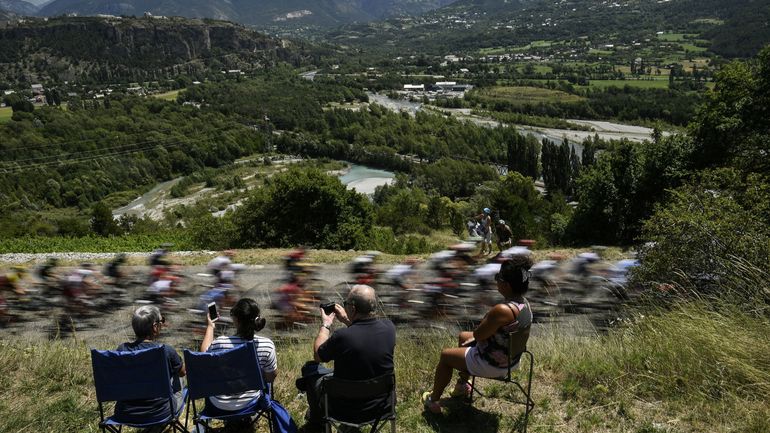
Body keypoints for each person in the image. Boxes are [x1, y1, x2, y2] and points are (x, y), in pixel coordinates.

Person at [422, 256, 533, 414]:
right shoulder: (524, 304)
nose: (496, 281)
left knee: (445, 356)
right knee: (463, 336)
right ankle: (462, 386)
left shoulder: (502, 310)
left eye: (497, 278)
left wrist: (487, 319)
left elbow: (479, 334)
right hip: (513, 359)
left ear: (506, 285)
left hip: (493, 364)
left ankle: (433, 401)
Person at [304, 285, 396, 428]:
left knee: (310, 368)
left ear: (353, 308)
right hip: (381, 406)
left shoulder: (342, 336)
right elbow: (363, 335)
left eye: (346, 303)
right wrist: (348, 320)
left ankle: (316, 422)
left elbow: (318, 356)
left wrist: (326, 325)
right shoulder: (389, 328)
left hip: (343, 409)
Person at [199, 298, 277, 422]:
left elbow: (203, 356)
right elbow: (270, 378)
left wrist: (210, 326)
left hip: (219, 406)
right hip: (251, 404)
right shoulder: (267, 345)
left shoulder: (220, 343)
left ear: (236, 320)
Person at [113, 305, 186, 429]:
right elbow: (183, 372)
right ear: (155, 327)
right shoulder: (166, 351)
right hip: (161, 413)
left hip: (125, 413)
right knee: (179, 376)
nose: (162, 324)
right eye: (161, 321)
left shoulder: (122, 350)